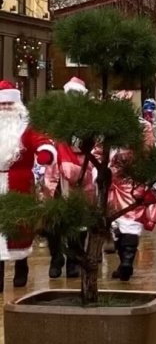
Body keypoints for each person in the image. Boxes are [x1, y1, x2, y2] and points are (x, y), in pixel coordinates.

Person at [0, 80, 56, 291]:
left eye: (8, 105)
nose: (4, 109)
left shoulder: (26, 127)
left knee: (20, 224)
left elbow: (42, 141)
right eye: (1, 105)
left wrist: (44, 153)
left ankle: (21, 265)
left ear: (17, 106)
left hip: (19, 182)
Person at [108, 91, 156, 282]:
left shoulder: (143, 127)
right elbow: (99, 150)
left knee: (129, 221)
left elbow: (149, 153)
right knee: (116, 223)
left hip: (133, 179)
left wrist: (153, 181)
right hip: (113, 181)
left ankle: (126, 262)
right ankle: (124, 262)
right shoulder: (108, 127)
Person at [42, 77, 95, 279]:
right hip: (55, 173)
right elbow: (44, 139)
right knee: (53, 220)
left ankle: (74, 260)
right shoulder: (54, 116)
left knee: (77, 219)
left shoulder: (88, 121)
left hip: (79, 172)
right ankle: (56, 258)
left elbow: (93, 147)